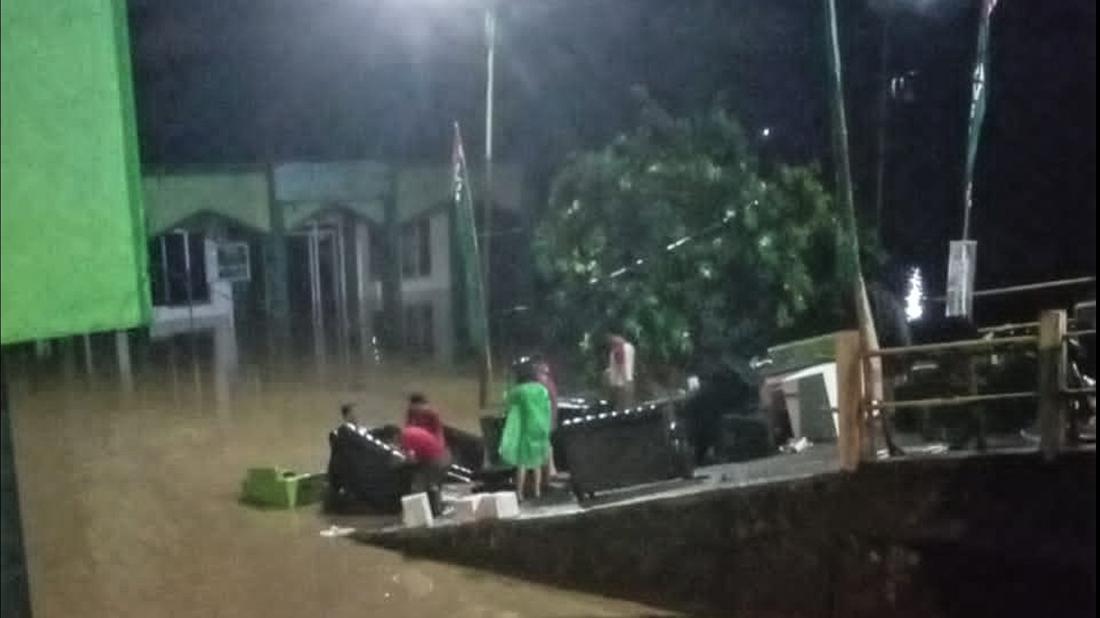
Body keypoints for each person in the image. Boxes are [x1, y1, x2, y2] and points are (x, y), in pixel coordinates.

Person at [499, 361, 553, 501]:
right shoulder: (542, 389)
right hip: (541, 427)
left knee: (522, 461)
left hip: (526, 427)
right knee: (537, 460)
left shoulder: (519, 391)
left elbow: (508, 404)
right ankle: (537, 491)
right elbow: (548, 408)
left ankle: (519, 493)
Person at [400, 423, 451, 516]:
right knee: (432, 485)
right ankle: (437, 511)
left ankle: (417, 514)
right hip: (444, 456)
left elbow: (411, 460)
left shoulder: (405, 438)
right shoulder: (410, 431)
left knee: (418, 487)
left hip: (435, 460)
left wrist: (403, 461)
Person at [535, 358, 560, 478]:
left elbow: (552, 401)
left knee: (545, 443)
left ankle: (549, 469)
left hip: (544, 417)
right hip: (545, 416)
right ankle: (550, 469)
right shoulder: (548, 383)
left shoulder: (545, 384)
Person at [605, 333, 636, 410]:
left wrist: (626, 381)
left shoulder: (619, 349)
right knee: (627, 406)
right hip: (626, 381)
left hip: (621, 383)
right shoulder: (629, 347)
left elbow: (621, 365)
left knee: (621, 406)